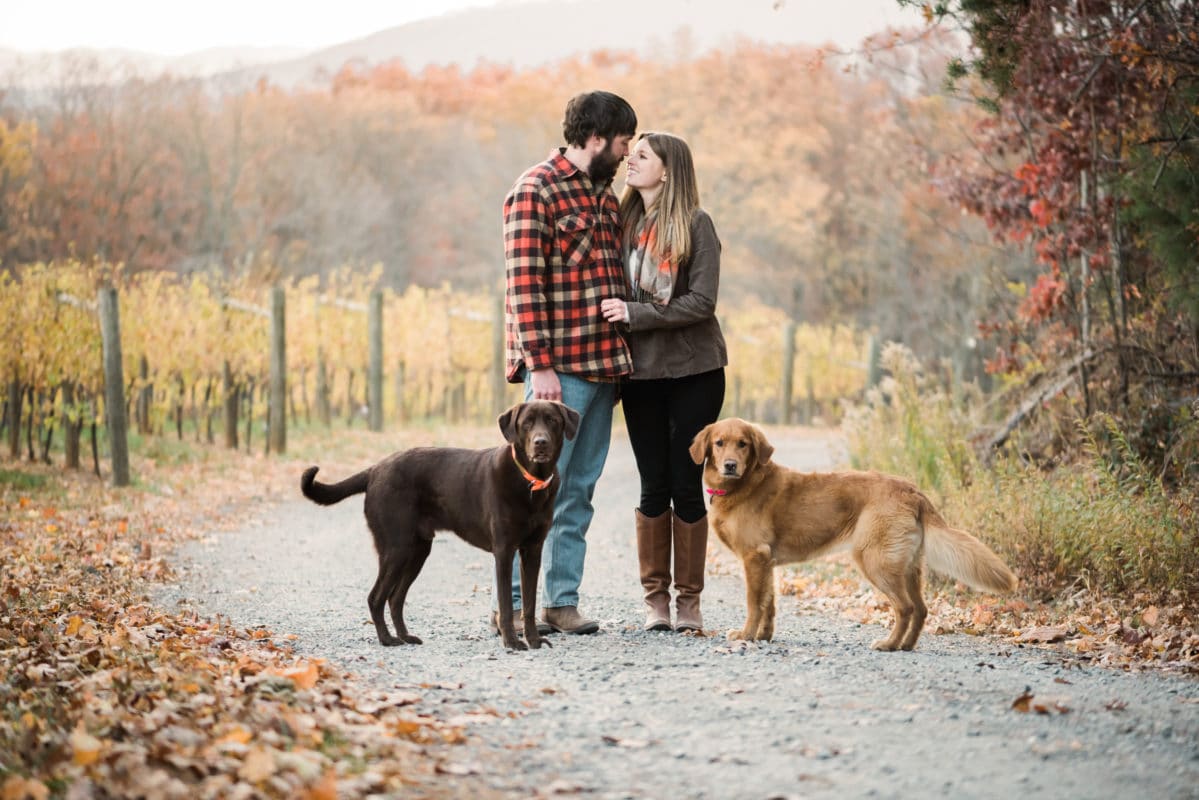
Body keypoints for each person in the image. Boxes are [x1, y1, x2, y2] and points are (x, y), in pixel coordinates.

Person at [499, 90, 638, 636]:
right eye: (625, 140)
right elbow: (522, 285)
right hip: (561, 371)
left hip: (605, 368)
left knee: (577, 490)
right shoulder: (535, 190)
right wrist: (540, 366)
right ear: (597, 138)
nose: (628, 152)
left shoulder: (604, 195)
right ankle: (511, 606)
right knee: (533, 488)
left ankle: (560, 601)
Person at [600, 132, 727, 633]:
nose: (631, 160)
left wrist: (636, 313)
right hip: (642, 374)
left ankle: (689, 604)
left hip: (695, 370)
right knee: (653, 482)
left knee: (686, 482)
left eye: (643, 156)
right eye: (631, 154)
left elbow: (702, 302)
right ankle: (655, 601)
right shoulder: (623, 221)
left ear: (669, 170)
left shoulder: (696, 224)